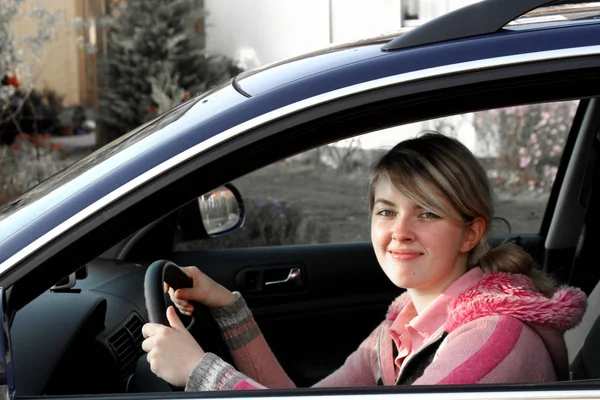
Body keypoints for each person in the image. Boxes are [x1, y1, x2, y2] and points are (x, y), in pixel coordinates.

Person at [141, 132, 587, 390]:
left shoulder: (492, 341)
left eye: (427, 212)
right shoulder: (405, 325)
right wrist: (228, 309)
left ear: (471, 232)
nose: (400, 231)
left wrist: (200, 372)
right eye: (387, 211)